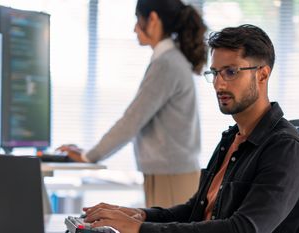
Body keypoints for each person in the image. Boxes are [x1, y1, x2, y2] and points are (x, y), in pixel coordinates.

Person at [79, 24, 299, 233]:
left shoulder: (285, 149)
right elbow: (195, 210)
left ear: (262, 75)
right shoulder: (232, 138)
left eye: (231, 72)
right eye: (215, 73)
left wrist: (140, 229)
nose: (219, 84)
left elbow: (244, 228)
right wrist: (139, 215)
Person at [58, 0, 207, 208]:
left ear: (153, 19)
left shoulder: (166, 63)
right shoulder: (169, 60)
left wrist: (88, 156)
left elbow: (132, 121)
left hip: (172, 176)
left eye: (138, 20)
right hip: (171, 173)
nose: (134, 28)